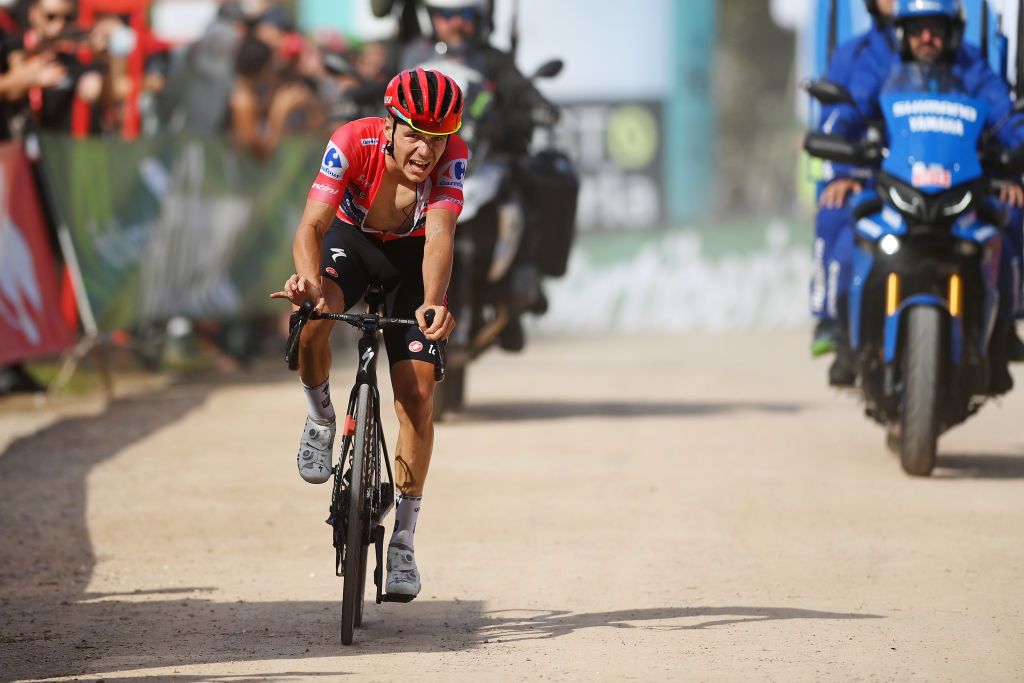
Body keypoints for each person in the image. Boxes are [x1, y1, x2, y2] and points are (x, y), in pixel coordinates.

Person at [270, 67, 467, 598]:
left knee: (417, 396)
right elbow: (311, 225)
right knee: (314, 319)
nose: (426, 150)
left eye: (437, 138)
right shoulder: (350, 142)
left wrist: (430, 303)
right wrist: (309, 281)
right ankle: (320, 417)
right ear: (389, 125)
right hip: (351, 242)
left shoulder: (453, 157)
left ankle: (403, 540)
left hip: (413, 260)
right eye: (414, 135)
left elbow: (441, 236)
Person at [824, 0, 1024, 393]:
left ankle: (1001, 336)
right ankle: (847, 341)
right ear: (903, 32)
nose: (927, 37)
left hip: (961, 192)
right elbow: (847, 116)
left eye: (936, 28)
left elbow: (1006, 120)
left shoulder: (972, 67)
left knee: (1007, 227)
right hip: (895, 188)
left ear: (952, 31)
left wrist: (1013, 164)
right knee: (850, 232)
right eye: (917, 29)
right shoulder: (880, 66)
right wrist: (842, 162)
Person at [811, 0, 897, 384]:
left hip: (942, 184)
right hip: (869, 180)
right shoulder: (860, 55)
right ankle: (840, 331)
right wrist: (844, 172)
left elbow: (994, 117)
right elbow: (838, 122)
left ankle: (999, 332)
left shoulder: (957, 58)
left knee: (1004, 213)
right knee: (838, 218)